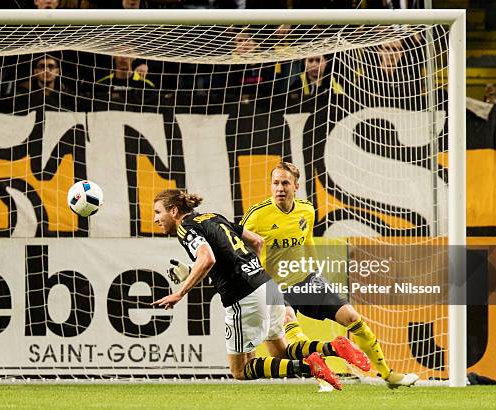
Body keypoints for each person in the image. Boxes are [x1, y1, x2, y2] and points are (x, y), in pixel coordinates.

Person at [240, 162, 419, 388]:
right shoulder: (257, 216)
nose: (279, 188)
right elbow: (238, 250)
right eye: (275, 183)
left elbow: (307, 241)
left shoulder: (306, 210)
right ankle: (321, 373)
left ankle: (388, 375)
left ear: (296, 185)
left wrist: (317, 271)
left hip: (306, 280)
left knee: (352, 317)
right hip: (274, 289)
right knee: (287, 335)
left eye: (285, 183)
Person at [151, 189, 345, 388]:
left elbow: (207, 258)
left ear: (174, 211)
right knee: (280, 353)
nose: (156, 219)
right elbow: (256, 241)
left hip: (244, 296)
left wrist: (179, 293)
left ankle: (311, 367)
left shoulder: (185, 227)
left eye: (158, 212)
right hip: (266, 284)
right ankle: (332, 347)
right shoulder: (214, 217)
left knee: (240, 369)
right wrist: (247, 269)